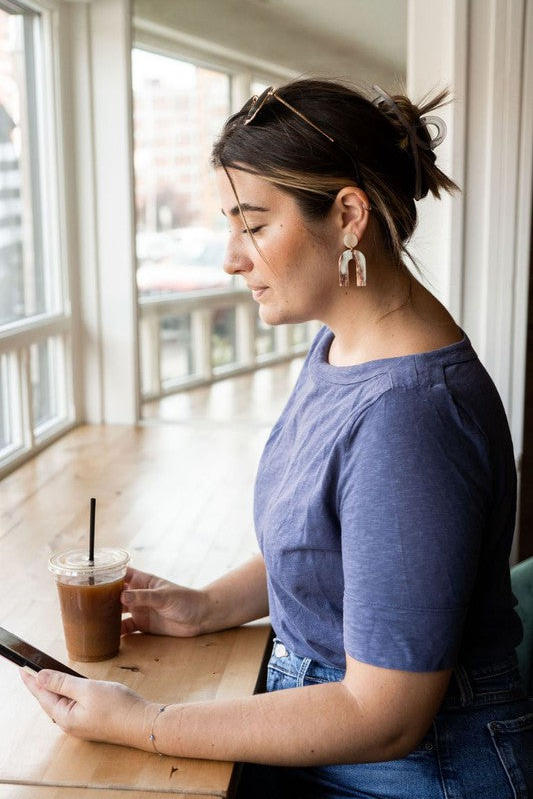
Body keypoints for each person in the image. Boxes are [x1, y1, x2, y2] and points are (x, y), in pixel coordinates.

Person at [22, 78, 533, 798]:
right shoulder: (342, 346)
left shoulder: (409, 417)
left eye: (254, 225)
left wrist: (149, 723)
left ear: (348, 215)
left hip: (409, 773)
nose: (231, 258)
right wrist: (204, 605)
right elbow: (340, 552)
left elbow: (383, 717)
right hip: (330, 734)